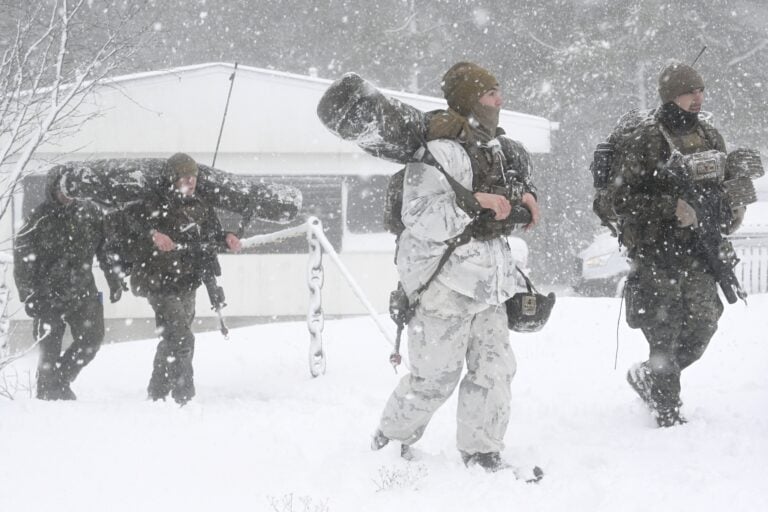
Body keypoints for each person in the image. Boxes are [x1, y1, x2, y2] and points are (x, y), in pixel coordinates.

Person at [371, 62, 540, 472]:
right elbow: (420, 216)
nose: (499, 100)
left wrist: (526, 197)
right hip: (443, 283)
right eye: (489, 94)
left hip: (489, 282)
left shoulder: (497, 148)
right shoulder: (441, 150)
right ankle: (388, 444)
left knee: (494, 372)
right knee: (434, 379)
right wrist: (475, 202)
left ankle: (482, 452)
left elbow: (510, 191)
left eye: (498, 91)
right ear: (469, 100)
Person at [613, 62, 745, 427]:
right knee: (664, 332)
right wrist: (671, 207)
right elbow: (619, 200)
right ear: (672, 96)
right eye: (690, 92)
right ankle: (667, 411)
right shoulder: (648, 139)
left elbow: (723, 182)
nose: (698, 98)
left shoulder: (709, 135)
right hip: (658, 253)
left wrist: (734, 203)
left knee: (705, 324)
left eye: (701, 90)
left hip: (701, 250)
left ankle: (650, 377)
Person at [118, 153, 241, 405]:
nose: (190, 180)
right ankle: (184, 397)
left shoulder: (200, 204)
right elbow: (126, 222)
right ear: (173, 178)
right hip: (157, 281)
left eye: (193, 176)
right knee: (183, 338)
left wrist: (228, 237)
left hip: (187, 280)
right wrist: (154, 234)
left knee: (173, 337)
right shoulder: (154, 202)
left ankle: (157, 392)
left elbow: (212, 235)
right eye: (185, 176)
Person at [13, 167, 125, 400]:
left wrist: (114, 280)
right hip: (47, 292)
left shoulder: (91, 213)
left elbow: (106, 250)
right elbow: (23, 259)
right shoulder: (38, 218)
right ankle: (47, 395)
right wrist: (29, 295)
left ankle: (60, 380)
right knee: (49, 348)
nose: (68, 192)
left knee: (92, 340)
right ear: (53, 187)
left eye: (72, 186)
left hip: (83, 289)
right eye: (63, 186)